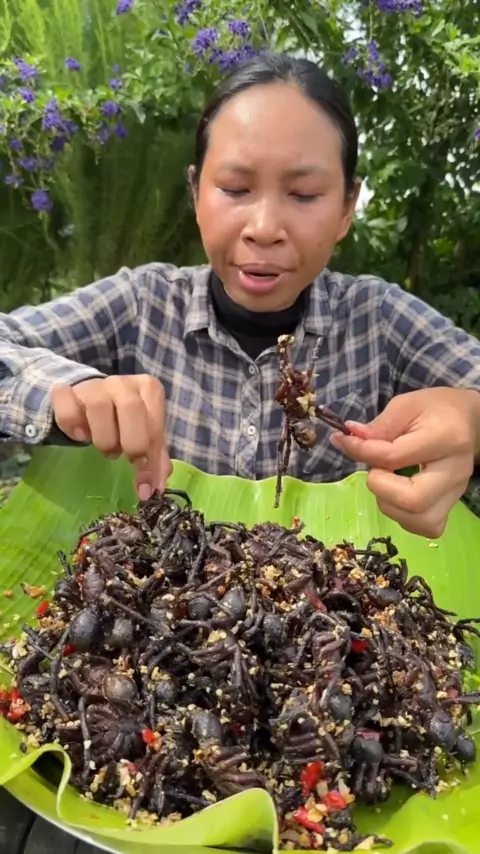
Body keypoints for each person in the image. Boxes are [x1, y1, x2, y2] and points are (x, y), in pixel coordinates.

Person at [1, 52, 480, 540]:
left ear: (346, 208)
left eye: (304, 194)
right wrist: (73, 390)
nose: (264, 228)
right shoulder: (142, 305)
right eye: (234, 188)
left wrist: (470, 418)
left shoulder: (377, 320)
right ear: (196, 193)